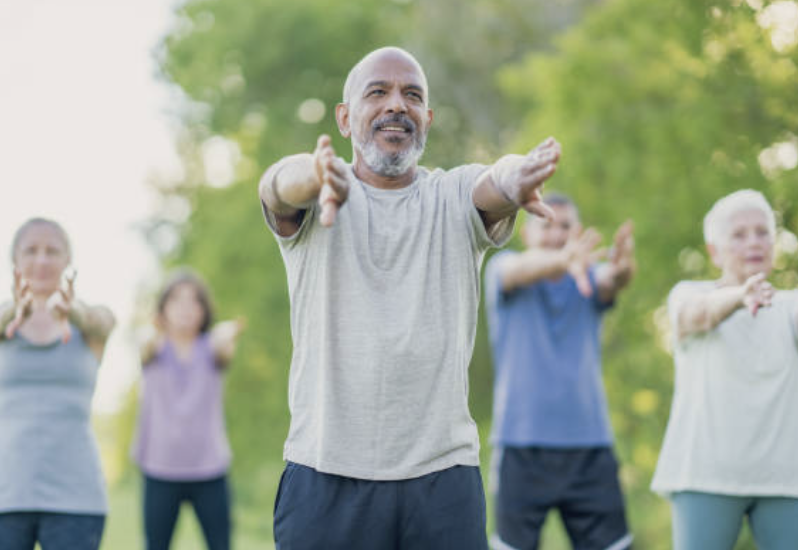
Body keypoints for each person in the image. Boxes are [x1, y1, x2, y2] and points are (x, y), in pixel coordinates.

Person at [258, 46, 561, 550]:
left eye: (412, 96)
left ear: (428, 118)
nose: (397, 105)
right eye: (378, 92)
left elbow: (494, 180)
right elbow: (276, 186)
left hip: (442, 479)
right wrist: (315, 175)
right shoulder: (314, 198)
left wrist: (514, 175)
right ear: (345, 116)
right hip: (325, 474)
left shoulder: (451, 194)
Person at [484, 193, 636, 550]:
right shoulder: (504, 269)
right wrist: (564, 260)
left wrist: (625, 265)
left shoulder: (588, 279)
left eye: (565, 227)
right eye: (546, 225)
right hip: (521, 448)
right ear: (525, 233)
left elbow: (614, 278)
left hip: (590, 447)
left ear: (577, 231)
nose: (556, 234)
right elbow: (522, 270)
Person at [651, 189, 798, 550]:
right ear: (714, 251)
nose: (754, 242)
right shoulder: (688, 293)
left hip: (783, 480)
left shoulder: (789, 307)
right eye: (739, 234)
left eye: (763, 232)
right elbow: (696, 315)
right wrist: (739, 297)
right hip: (704, 477)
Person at [0, 217, 115, 550]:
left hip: (77, 500)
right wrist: (14, 313)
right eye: (31, 250)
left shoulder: (90, 322)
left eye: (52, 251)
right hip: (6, 496)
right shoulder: (5, 321)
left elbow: (102, 322)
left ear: (67, 261)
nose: (41, 260)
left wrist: (71, 312)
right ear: (15, 261)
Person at [132, 269, 243, 550]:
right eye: (176, 300)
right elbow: (143, 341)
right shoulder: (152, 348)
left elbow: (224, 344)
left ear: (204, 310)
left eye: (194, 301)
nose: (185, 308)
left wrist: (227, 334)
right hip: (160, 467)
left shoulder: (213, 348)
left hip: (209, 467)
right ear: (163, 309)